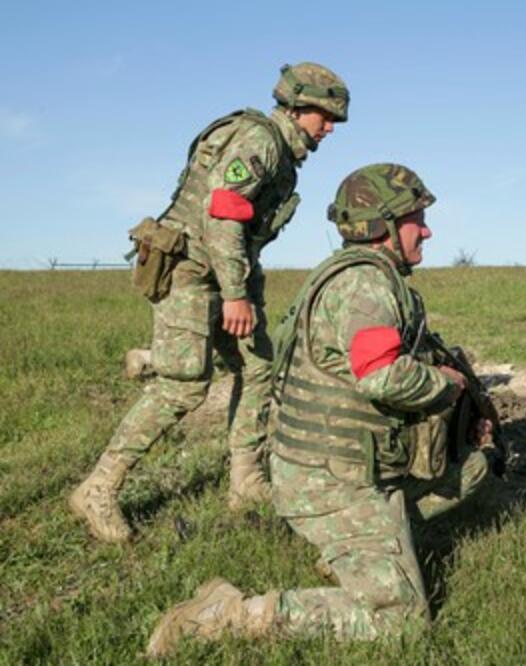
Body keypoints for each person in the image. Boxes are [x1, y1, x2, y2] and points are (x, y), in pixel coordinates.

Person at [145, 163, 495, 656]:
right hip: (332, 479)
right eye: (417, 218)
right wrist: (446, 385)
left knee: (473, 469)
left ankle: (356, 554)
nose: (428, 229)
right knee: (401, 622)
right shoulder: (366, 288)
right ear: (384, 225)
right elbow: (381, 376)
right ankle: (230, 616)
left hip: (340, 466)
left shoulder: (363, 278)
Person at [70, 63, 350, 543]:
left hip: (223, 271)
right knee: (183, 386)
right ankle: (98, 488)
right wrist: (236, 296)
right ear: (298, 105)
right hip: (192, 272)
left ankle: (245, 482)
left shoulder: (278, 150)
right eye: (324, 117)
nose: (328, 129)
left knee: (259, 366)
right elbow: (221, 217)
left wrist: (245, 286)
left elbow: (243, 231)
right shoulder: (258, 141)